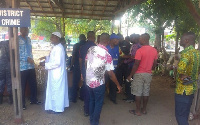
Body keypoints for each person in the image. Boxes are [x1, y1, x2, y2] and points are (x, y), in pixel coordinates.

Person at [86, 33, 122, 125]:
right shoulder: (107, 54)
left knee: (92, 100)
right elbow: (110, 73)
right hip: (98, 82)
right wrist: (118, 85)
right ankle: (94, 122)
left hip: (89, 80)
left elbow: (86, 62)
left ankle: (91, 120)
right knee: (98, 102)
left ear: (99, 40)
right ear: (108, 41)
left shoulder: (91, 49)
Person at [127, 33, 157, 116]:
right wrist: (150, 69)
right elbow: (155, 63)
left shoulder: (139, 51)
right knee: (146, 92)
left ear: (144, 40)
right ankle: (144, 110)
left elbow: (136, 64)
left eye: (140, 38)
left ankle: (137, 111)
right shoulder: (154, 50)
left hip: (139, 74)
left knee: (138, 92)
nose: (139, 40)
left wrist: (130, 75)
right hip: (148, 74)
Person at [40, 32, 69, 113]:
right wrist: (45, 60)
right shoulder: (56, 47)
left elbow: (57, 63)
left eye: (53, 37)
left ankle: (57, 109)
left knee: (56, 90)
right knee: (55, 90)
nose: (51, 38)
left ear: (57, 38)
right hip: (54, 72)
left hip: (57, 73)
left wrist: (45, 65)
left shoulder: (59, 48)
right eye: (51, 37)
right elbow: (52, 58)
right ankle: (55, 107)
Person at [175, 32, 200, 125]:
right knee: (185, 114)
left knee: (180, 116)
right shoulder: (198, 53)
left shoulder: (185, 53)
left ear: (186, 40)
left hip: (183, 90)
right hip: (192, 88)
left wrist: (175, 69)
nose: (180, 41)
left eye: (181, 39)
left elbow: (181, 69)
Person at [19, 27, 41, 110]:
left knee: (33, 84)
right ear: (20, 30)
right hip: (22, 67)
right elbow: (15, 53)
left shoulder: (28, 39)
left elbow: (30, 51)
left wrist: (31, 59)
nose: (26, 31)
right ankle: (22, 103)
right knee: (22, 85)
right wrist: (26, 59)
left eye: (27, 30)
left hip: (30, 66)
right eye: (24, 30)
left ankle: (34, 100)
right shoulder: (17, 39)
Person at [79, 31, 96, 116]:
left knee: (86, 89)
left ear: (87, 37)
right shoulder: (97, 47)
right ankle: (92, 110)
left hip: (85, 70)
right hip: (95, 71)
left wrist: (81, 70)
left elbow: (81, 60)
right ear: (94, 37)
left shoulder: (82, 47)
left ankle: (86, 110)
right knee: (94, 90)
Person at [106, 33, 125, 104]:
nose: (118, 41)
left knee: (113, 83)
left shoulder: (118, 48)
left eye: (118, 39)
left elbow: (122, 55)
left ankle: (113, 98)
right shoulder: (106, 48)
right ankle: (102, 99)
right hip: (106, 70)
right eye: (116, 39)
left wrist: (130, 57)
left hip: (114, 69)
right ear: (111, 40)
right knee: (104, 83)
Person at [123, 34, 141, 102]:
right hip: (133, 66)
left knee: (129, 81)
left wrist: (125, 60)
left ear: (135, 38)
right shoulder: (135, 45)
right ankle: (131, 97)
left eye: (131, 38)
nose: (130, 39)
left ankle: (130, 97)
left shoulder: (137, 46)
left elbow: (133, 57)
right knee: (132, 81)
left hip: (132, 66)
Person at [70, 34, 86, 103]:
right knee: (84, 81)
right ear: (85, 38)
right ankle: (82, 96)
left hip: (76, 65)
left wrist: (71, 65)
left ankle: (73, 98)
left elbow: (73, 56)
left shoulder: (76, 45)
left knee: (75, 82)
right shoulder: (87, 45)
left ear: (79, 38)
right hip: (85, 66)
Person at [0, 40, 12, 104]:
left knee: (1, 81)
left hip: (1, 64)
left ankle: (0, 99)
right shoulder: (11, 43)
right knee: (9, 81)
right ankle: (11, 99)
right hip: (9, 64)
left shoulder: (1, 43)